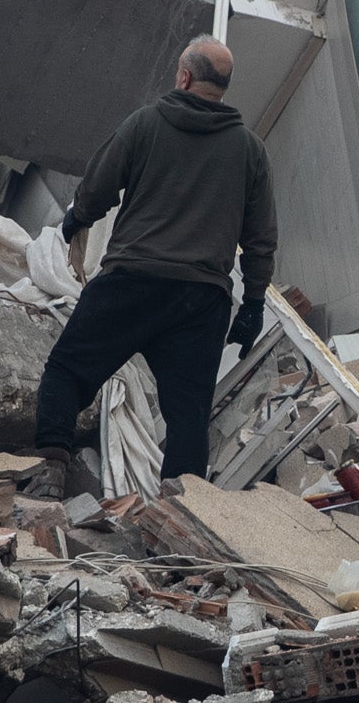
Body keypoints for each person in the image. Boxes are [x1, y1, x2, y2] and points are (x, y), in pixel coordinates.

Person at [25, 38, 275, 499]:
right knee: (187, 416)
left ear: (183, 76)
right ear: (223, 87)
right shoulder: (250, 151)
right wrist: (254, 303)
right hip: (200, 301)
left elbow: (98, 189)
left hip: (131, 283)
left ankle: (49, 476)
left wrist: (73, 224)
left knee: (66, 370)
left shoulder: (145, 124)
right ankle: (181, 515)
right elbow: (260, 239)